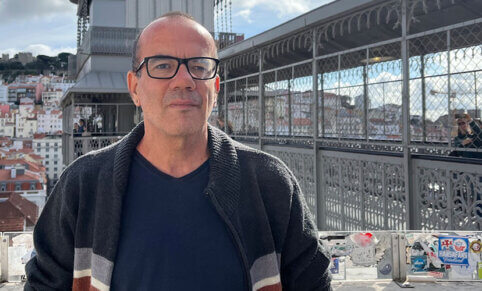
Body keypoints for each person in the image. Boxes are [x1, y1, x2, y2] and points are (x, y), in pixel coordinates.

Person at [25, 12, 331, 291]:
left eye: (199, 66)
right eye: (162, 65)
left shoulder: (271, 184)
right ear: (135, 88)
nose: (184, 80)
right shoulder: (82, 185)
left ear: (216, 87)